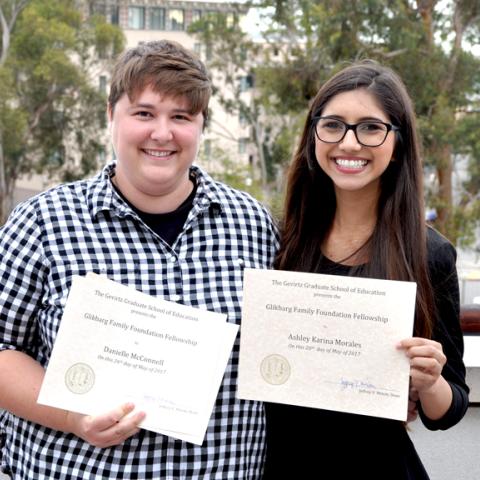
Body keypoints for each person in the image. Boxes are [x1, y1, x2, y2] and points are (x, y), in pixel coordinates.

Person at [0, 40, 278, 479]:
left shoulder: (253, 225)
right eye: (144, 113)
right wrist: (74, 418)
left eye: (181, 117)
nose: (162, 133)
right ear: (111, 116)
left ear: (201, 124)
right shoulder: (42, 222)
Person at [263, 61, 469, 479]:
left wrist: (430, 381)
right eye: (334, 125)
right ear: (313, 135)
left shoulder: (429, 253)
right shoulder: (277, 242)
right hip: (282, 466)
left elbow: (448, 410)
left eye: (371, 128)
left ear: (398, 142)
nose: (350, 143)